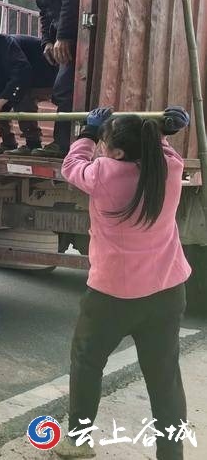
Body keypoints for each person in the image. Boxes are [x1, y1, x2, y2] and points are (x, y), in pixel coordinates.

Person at [55, 106, 192, 459]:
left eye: (104, 143)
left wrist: (87, 132)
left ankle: (79, 442)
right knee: (164, 378)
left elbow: (71, 166)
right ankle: (171, 454)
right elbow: (161, 149)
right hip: (166, 291)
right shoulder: (170, 168)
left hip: (111, 296)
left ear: (116, 152)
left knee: (87, 363)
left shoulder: (104, 173)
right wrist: (164, 130)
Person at [4, 0, 82, 158]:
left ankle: (64, 145)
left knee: (65, 89)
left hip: (80, 35)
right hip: (60, 37)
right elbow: (45, 10)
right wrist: (47, 41)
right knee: (44, 87)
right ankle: (39, 142)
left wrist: (64, 36)